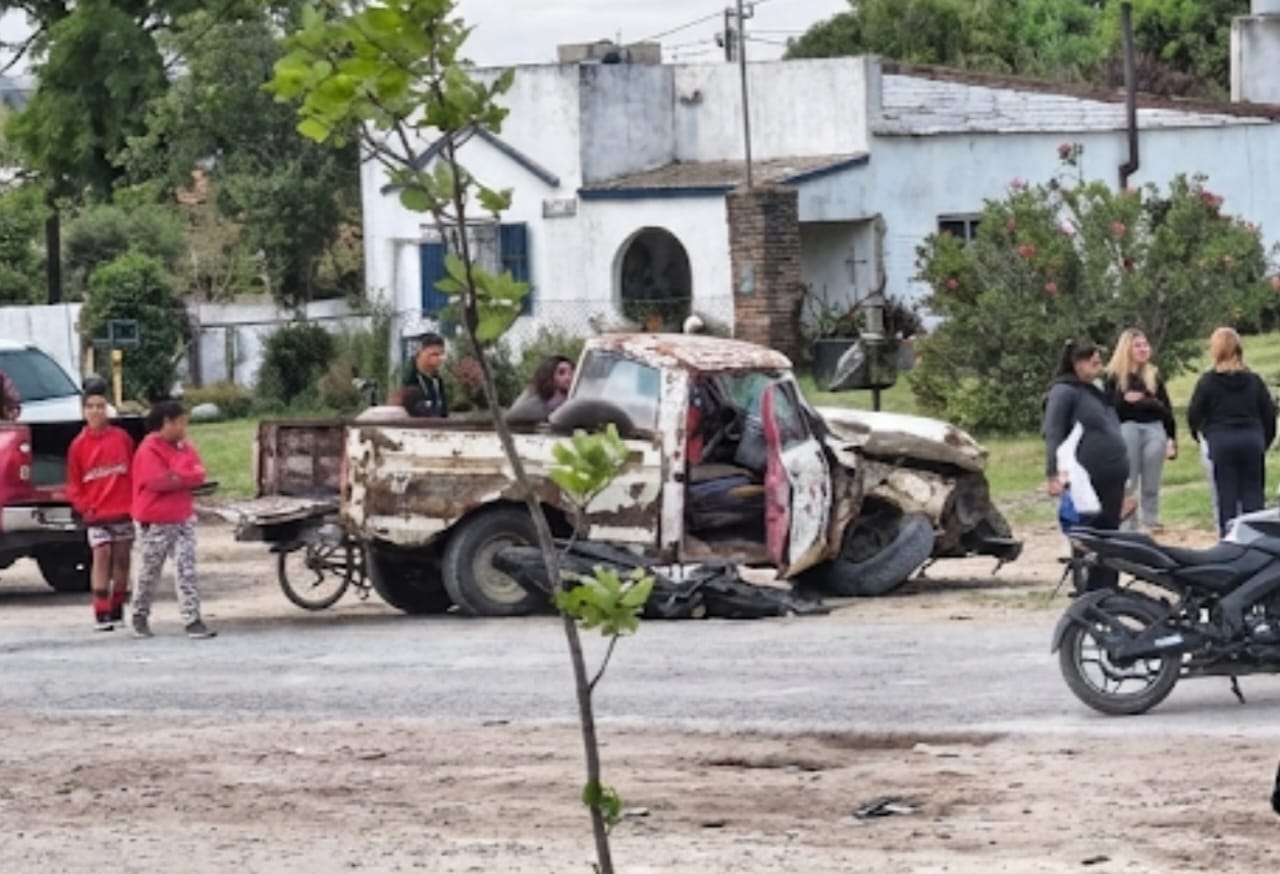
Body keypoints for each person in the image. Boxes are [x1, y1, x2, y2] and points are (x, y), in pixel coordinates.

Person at [1043, 339, 1130, 590]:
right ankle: (1086, 589)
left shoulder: (1096, 390)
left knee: (1109, 534)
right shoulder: (1064, 391)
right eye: (1090, 359)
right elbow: (1054, 432)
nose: (1096, 363)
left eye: (1098, 359)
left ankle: (1107, 588)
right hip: (1085, 474)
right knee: (1087, 534)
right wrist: (1053, 472)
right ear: (1075, 363)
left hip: (1112, 474)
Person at [130, 399, 216, 639]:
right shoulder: (148, 449)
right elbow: (157, 481)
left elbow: (199, 473)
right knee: (149, 571)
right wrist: (184, 476)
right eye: (180, 423)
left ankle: (192, 619)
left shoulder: (184, 446)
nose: (184, 428)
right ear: (166, 423)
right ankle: (139, 614)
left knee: (186, 568)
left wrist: (179, 477)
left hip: (182, 517)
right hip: (155, 520)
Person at [1188, 327, 1277, 536]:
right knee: (1253, 495)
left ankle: (1228, 541)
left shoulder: (1208, 382)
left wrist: (1204, 436)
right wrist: (1263, 441)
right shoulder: (1254, 380)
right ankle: (1255, 542)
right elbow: (1269, 413)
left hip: (1222, 440)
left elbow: (1194, 415)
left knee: (1226, 497)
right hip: (1251, 439)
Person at [65, 377, 135, 631]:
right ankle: (101, 609)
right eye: (91, 406)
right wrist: (85, 506)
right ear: (83, 410)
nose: (96, 411)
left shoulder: (121, 438)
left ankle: (117, 606)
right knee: (101, 554)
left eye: (100, 406)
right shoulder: (78, 446)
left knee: (122, 559)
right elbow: (74, 484)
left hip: (123, 510)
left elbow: (133, 471)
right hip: (96, 513)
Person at [1104, 328, 1177, 532]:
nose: (1143, 349)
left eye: (1145, 345)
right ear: (1126, 349)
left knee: (1152, 476)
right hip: (1127, 428)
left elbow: (1165, 408)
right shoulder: (1114, 376)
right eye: (1138, 346)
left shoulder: (1153, 374)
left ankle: (1151, 518)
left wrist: (1172, 438)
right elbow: (1110, 409)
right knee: (1129, 477)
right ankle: (1128, 520)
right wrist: (1125, 400)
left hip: (1154, 427)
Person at [390, 332, 449, 418]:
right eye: (434, 354)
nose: (439, 358)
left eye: (441, 354)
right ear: (420, 352)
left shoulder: (437, 380)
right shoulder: (407, 377)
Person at [506, 355, 574, 425]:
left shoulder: (574, 398)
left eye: (571, 373)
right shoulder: (537, 398)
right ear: (549, 375)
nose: (568, 377)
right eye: (561, 373)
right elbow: (513, 415)